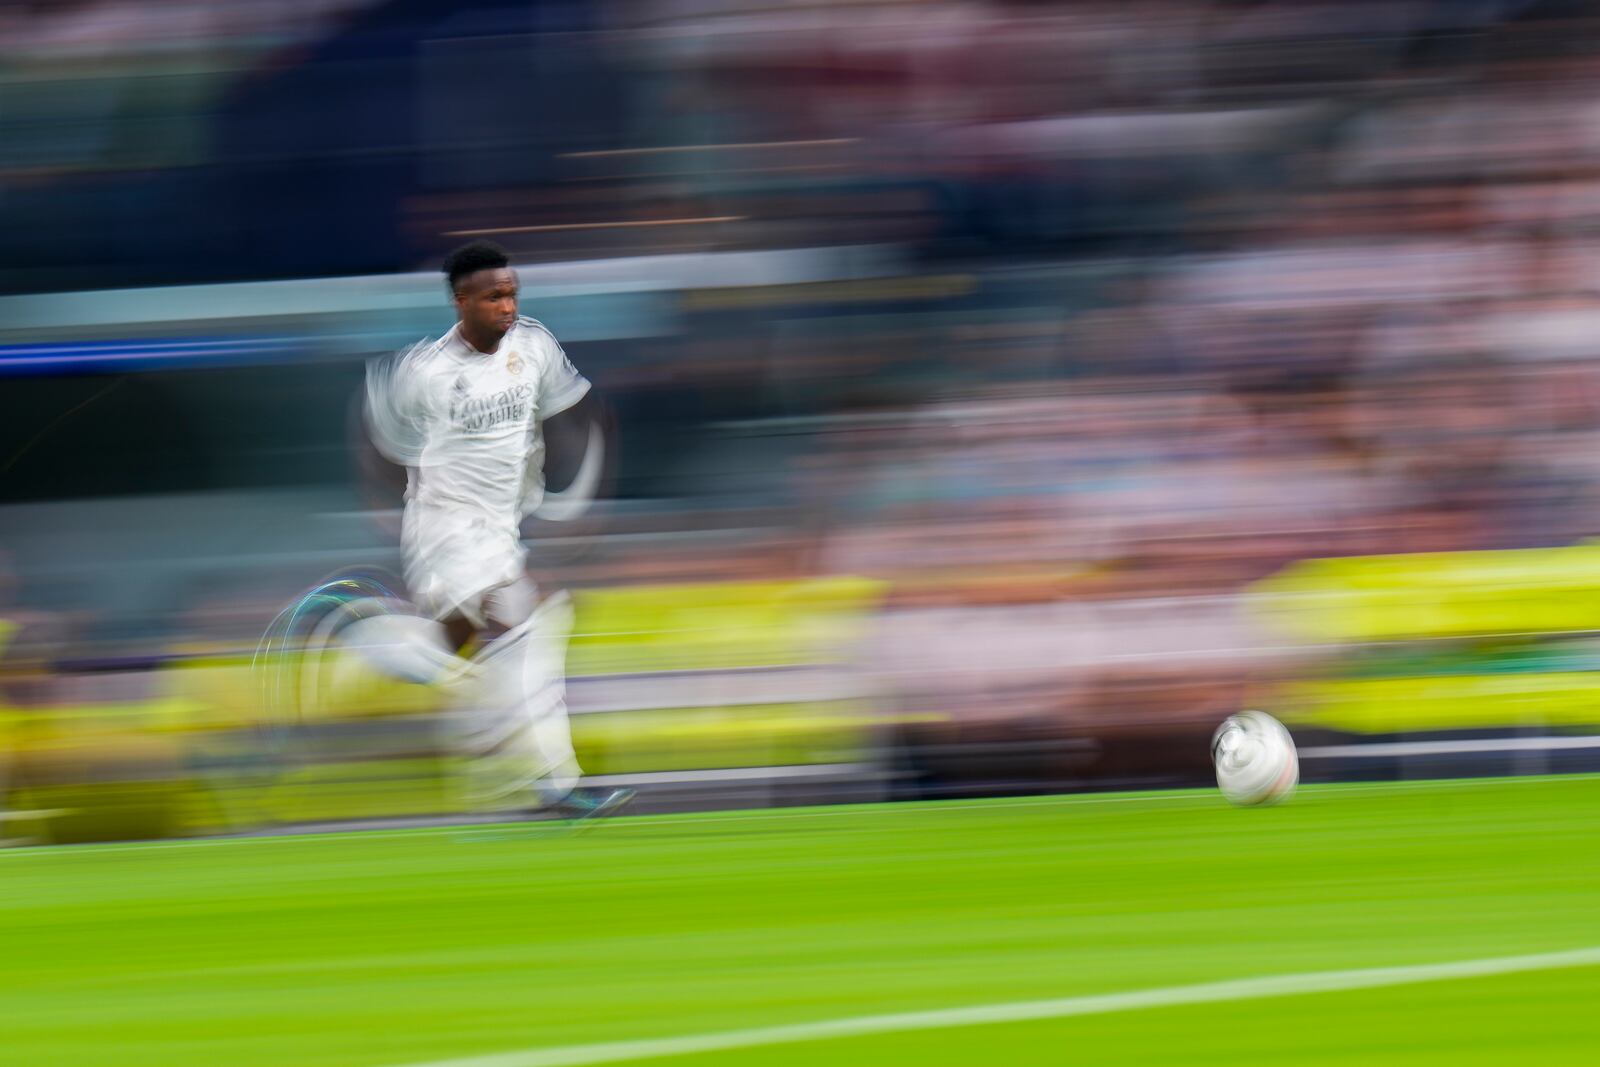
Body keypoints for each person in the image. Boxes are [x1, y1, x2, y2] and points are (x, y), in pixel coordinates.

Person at [360, 239, 632, 821]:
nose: (507, 307)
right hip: (444, 525)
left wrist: (578, 499)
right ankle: (551, 783)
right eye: (493, 298)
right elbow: (381, 444)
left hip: (501, 526)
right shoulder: (426, 373)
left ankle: (384, 647)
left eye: (511, 295)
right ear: (461, 302)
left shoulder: (533, 346)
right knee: (526, 630)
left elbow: (574, 414)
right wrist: (385, 509)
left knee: (470, 647)